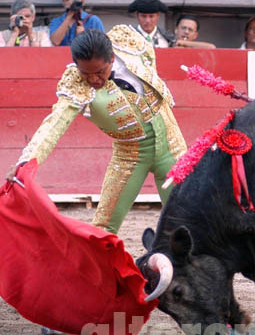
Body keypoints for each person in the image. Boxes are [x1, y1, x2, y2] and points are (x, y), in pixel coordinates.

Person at [6, 26, 187, 235]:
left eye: (99, 72)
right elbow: (54, 125)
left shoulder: (127, 40)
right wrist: (27, 162)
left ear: (111, 58)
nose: (93, 80)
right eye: (85, 73)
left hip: (171, 143)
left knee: (184, 221)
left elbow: (149, 59)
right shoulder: (74, 84)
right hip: (131, 155)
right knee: (104, 227)